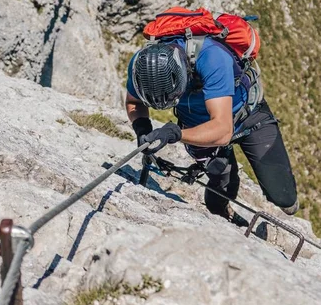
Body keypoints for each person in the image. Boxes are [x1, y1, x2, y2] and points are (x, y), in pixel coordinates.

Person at [125, 35, 299, 221]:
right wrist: (142, 129)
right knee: (220, 183)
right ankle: (225, 217)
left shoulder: (212, 58)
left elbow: (222, 131)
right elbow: (134, 102)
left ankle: (288, 205)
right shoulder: (141, 67)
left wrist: (175, 134)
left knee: (283, 196)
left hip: (249, 118)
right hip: (198, 125)